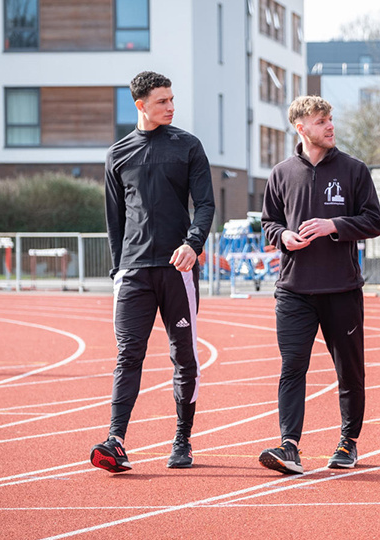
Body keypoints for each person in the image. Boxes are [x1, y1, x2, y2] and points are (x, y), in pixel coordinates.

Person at [90, 71, 215, 473]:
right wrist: (118, 269)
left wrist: (192, 244)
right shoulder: (117, 155)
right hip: (133, 272)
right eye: (162, 101)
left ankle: (182, 439)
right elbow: (114, 220)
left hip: (178, 269)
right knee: (128, 354)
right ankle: (115, 440)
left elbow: (206, 205)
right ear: (140, 105)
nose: (171, 106)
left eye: (172, 99)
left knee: (183, 355)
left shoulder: (188, 146)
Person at [258, 96, 380, 475]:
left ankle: (348, 442)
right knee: (292, 368)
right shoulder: (281, 173)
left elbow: (374, 221)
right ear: (301, 128)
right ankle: (289, 446)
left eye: (330, 119)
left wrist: (335, 226)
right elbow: (269, 222)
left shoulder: (354, 170)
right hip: (293, 290)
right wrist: (283, 236)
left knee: (350, 371)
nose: (330, 126)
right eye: (321, 121)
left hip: (341, 290)